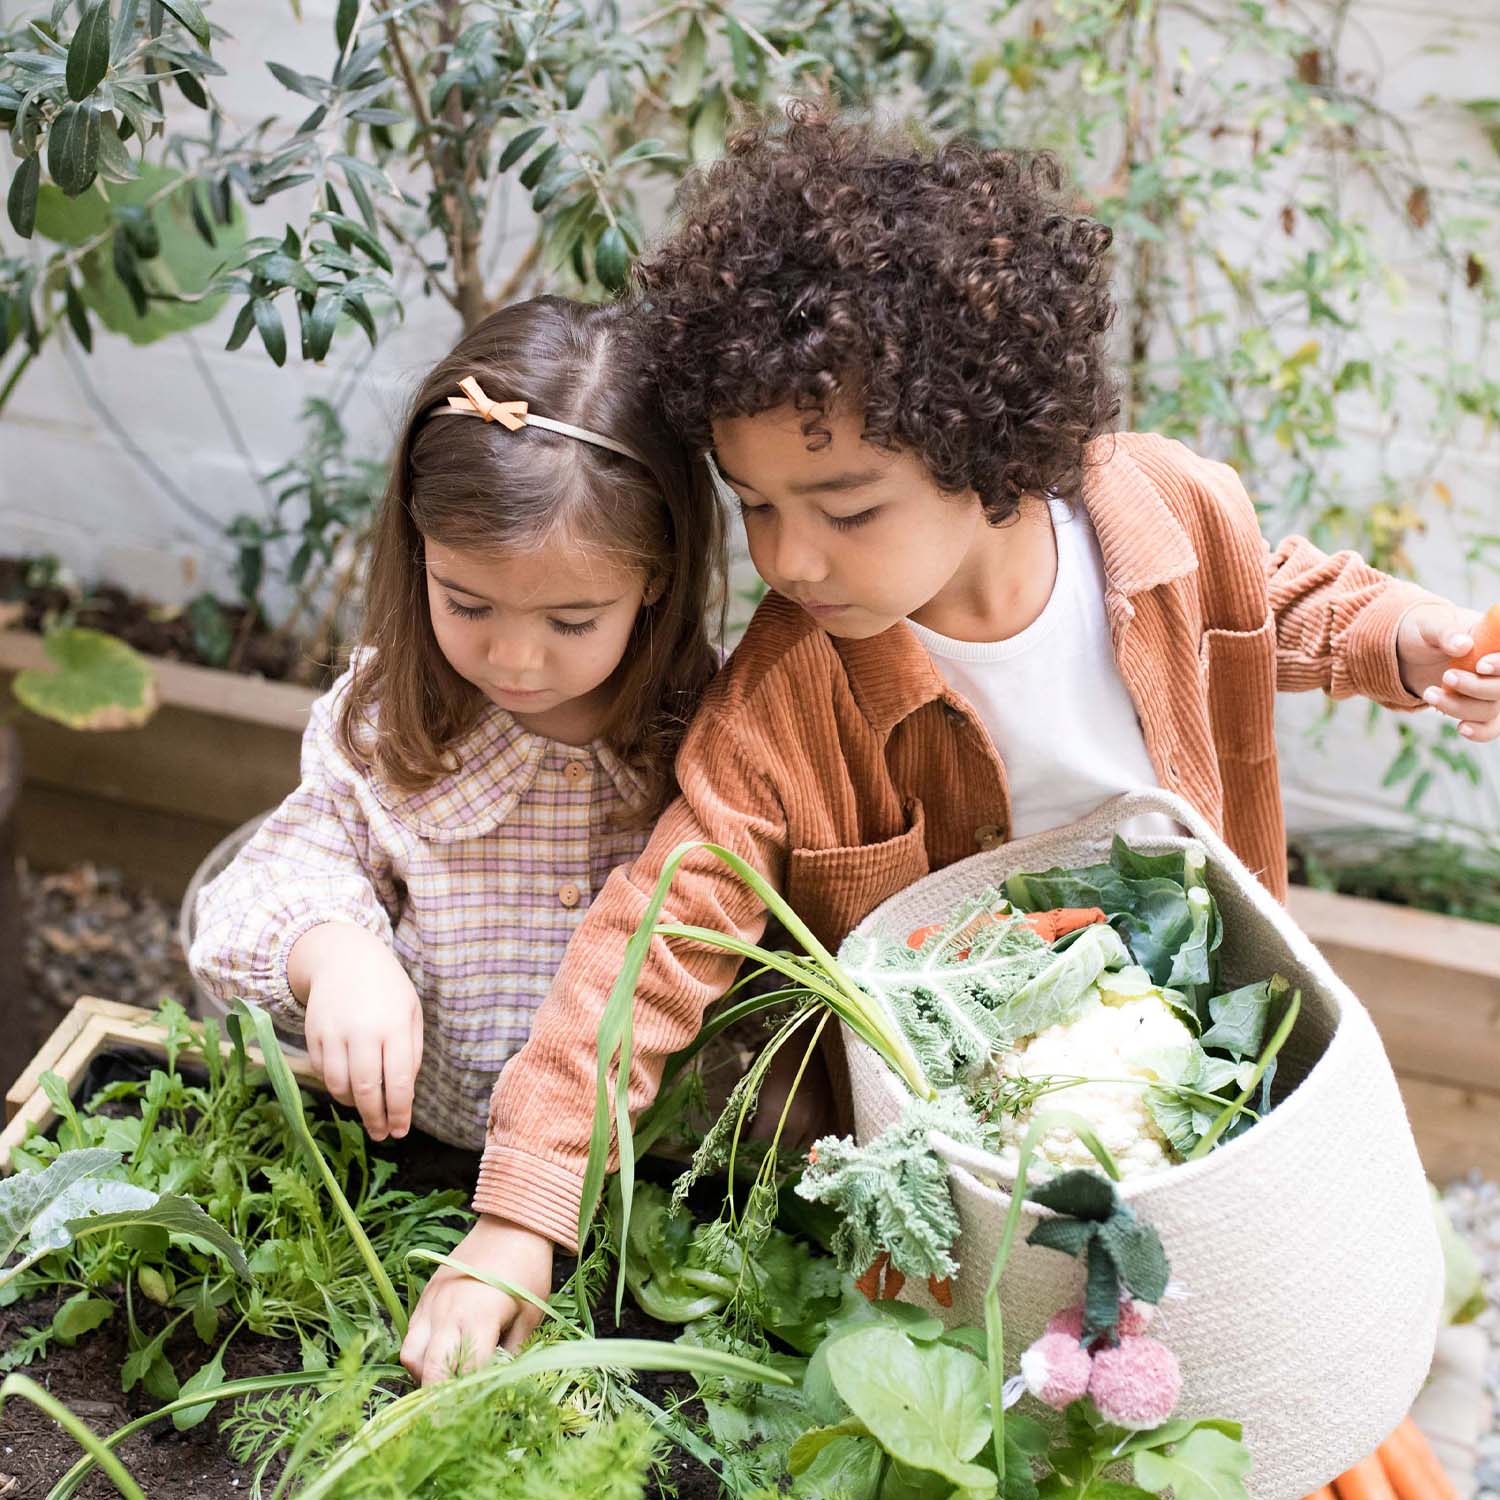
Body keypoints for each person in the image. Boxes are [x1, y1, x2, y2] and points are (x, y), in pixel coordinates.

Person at [402, 103, 1499, 1383]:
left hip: (1191, 1040)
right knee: (1039, 1392)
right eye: (753, 505)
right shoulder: (786, 698)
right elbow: (651, 934)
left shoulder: (1164, 513)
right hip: (964, 1151)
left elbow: (1271, 599)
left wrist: (1407, 636)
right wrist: (519, 1213)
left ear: (988, 455)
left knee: (1267, 1352)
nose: (789, 557)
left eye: (846, 508)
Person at [189, 295, 723, 1157]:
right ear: (419, 549)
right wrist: (335, 954)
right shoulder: (389, 721)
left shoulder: (705, 731)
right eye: (466, 603)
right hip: (420, 1146)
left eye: (572, 622)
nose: (514, 658)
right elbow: (250, 900)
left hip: (644, 1176)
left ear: (656, 579)